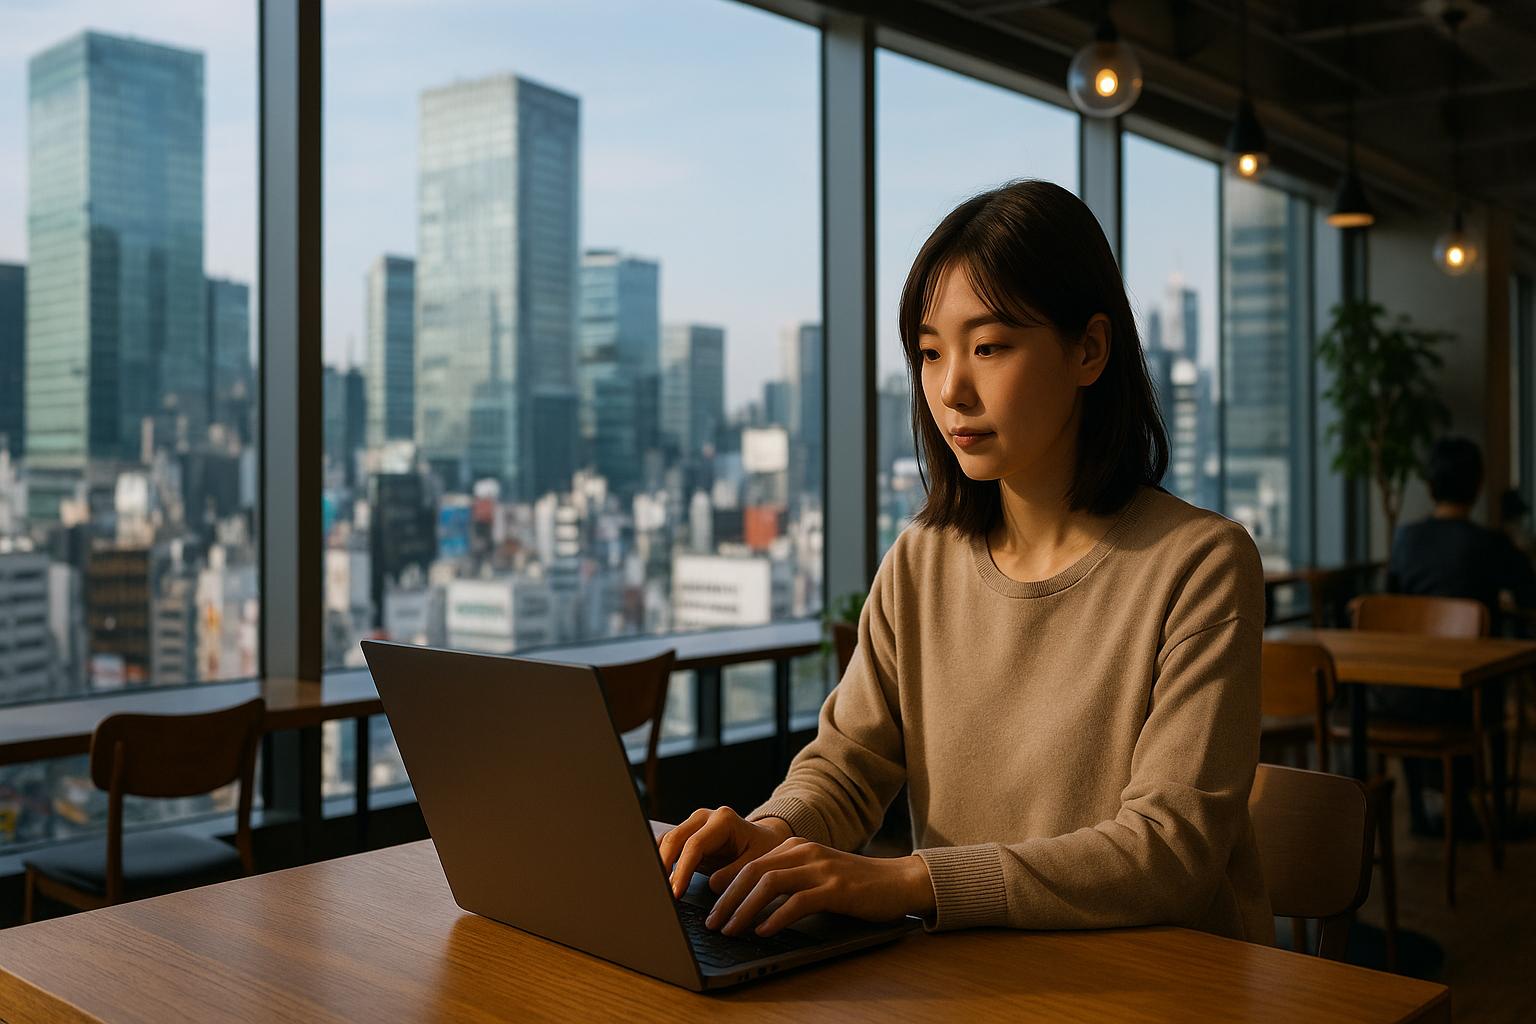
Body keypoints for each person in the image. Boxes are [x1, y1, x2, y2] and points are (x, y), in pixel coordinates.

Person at [657, 179, 1271, 946]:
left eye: (989, 347)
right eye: (929, 352)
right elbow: (847, 766)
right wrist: (771, 830)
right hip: (971, 980)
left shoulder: (1200, 565)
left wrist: (909, 880)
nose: (951, 389)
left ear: (1089, 350)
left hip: (1158, 987)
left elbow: (1169, 851)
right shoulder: (921, 560)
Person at [1380, 437, 1536, 835]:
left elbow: (1390, 605)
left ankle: (1423, 806)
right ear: (1478, 486)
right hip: (1470, 697)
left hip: (1406, 693)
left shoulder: (1405, 539)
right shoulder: (1489, 544)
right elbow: (1529, 593)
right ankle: (1481, 805)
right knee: (1491, 688)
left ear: (1430, 486)